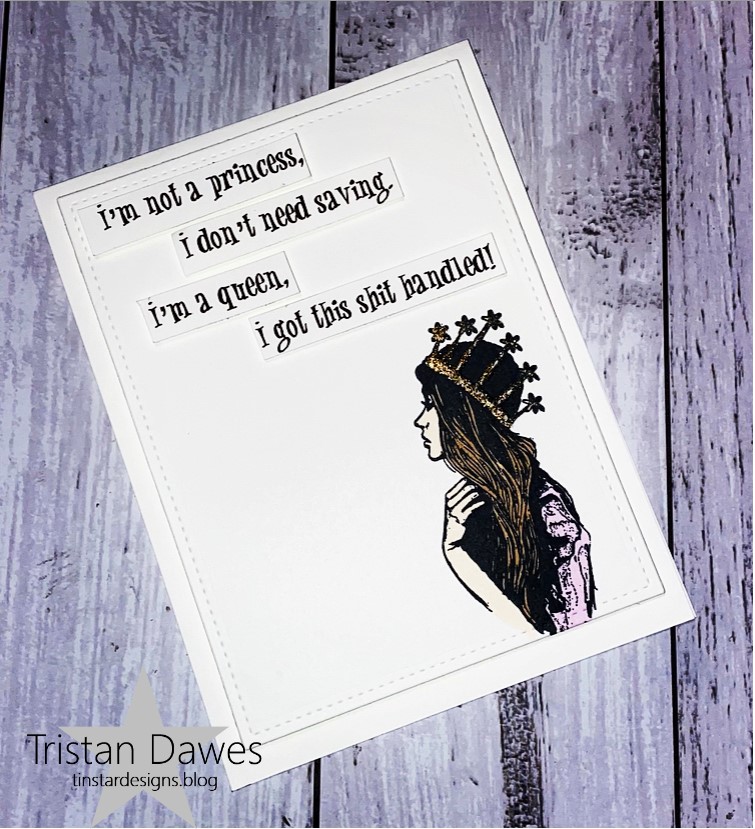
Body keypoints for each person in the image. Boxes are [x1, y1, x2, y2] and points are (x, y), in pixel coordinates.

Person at [414, 310, 595, 635]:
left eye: (430, 405)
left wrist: (456, 553)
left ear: (462, 418)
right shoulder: (473, 503)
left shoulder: (545, 505)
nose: (420, 421)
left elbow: (564, 633)